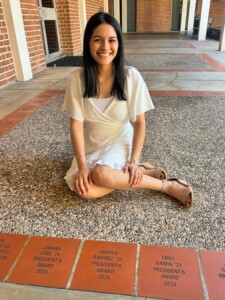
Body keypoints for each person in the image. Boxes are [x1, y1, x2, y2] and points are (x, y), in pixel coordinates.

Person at [63, 12, 193, 208]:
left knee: (101, 175)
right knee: (85, 190)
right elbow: (76, 126)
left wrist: (134, 160)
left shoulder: (131, 76)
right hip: (91, 144)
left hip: (120, 140)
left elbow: (140, 123)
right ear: (88, 43)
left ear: (119, 44)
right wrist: (82, 166)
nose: (105, 47)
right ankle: (140, 172)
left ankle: (165, 186)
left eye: (111, 40)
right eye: (98, 40)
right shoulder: (77, 79)